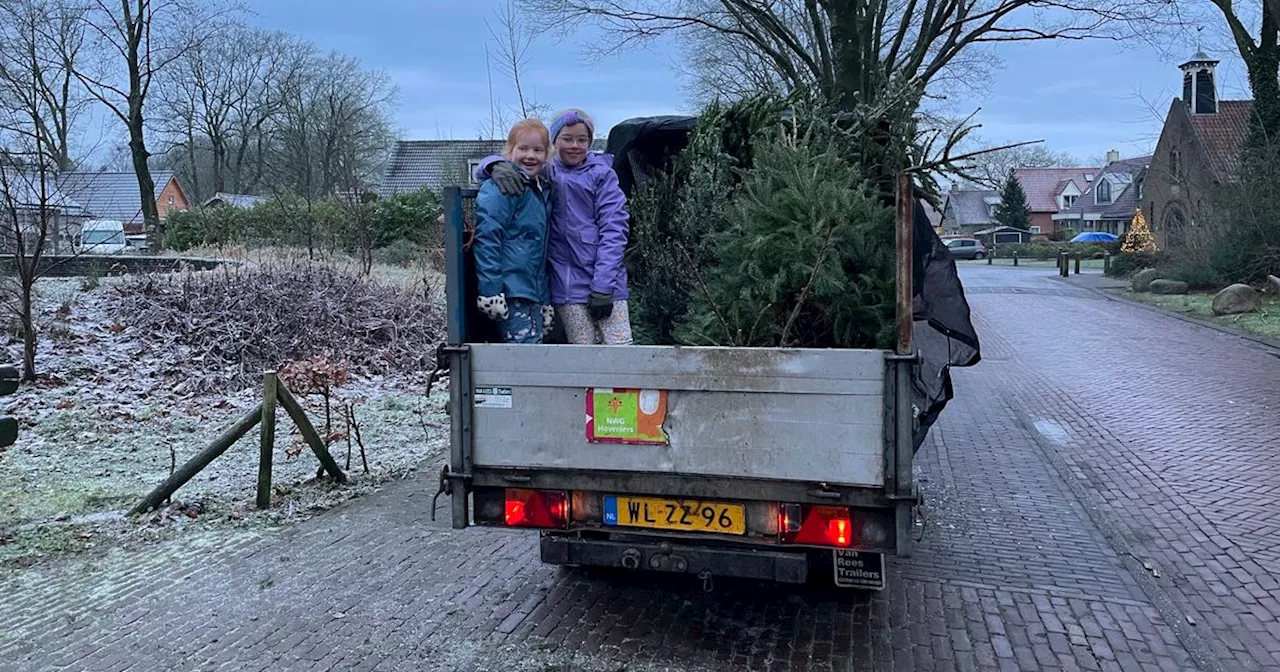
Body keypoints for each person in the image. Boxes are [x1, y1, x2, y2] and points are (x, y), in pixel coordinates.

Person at [481, 108, 633, 345]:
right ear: (554, 142)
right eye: (567, 138)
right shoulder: (547, 172)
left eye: (582, 139)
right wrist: (493, 165)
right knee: (582, 354)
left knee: (621, 352)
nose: (575, 145)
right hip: (567, 286)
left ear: (590, 142)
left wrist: (604, 285)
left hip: (606, 282)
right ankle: (587, 385)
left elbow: (615, 231)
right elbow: (520, 158)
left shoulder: (602, 175)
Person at [472, 118, 554, 344]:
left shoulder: (539, 190)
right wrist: (491, 291)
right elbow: (488, 237)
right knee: (523, 359)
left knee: (531, 354)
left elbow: (540, 250)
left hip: (532, 290)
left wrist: (544, 298)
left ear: (546, 154)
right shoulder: (504, 186)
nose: (531, 155)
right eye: (523, 148)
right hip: (511, 290)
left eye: (538, 150)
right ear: (510, 151)